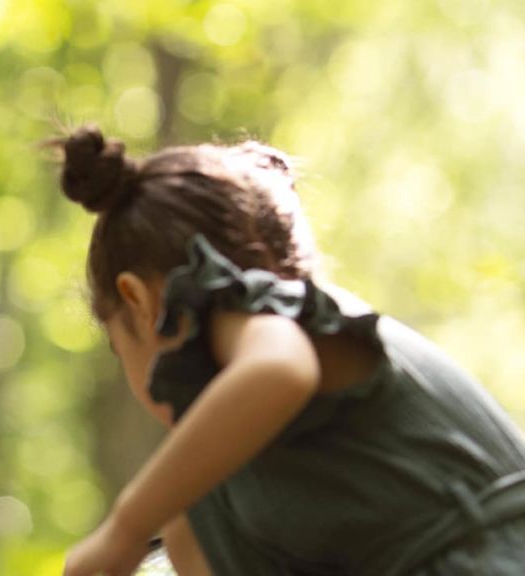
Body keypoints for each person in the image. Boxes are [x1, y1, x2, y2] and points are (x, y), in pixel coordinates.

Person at [57, 126, 525, 575]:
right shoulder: (234, 481)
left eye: (122, 351)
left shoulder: (260, 310)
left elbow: (279, 371)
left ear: (140, 301)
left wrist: (127, 525)